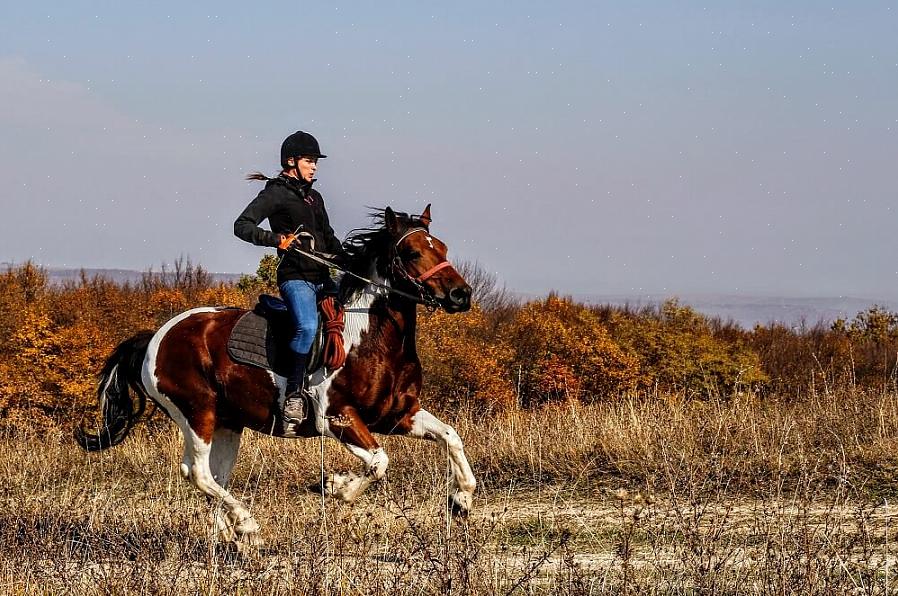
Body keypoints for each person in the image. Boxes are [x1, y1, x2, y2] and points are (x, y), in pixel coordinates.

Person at [234, 131, 346, 429]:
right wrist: (275, 239)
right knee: (308, 326)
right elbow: (241, 226)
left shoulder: (314, 196)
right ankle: (293, 395)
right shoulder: (275, 193)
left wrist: (348, 258)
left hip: (323, 276)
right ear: (291, 161)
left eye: (315, 162)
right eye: (310, 161)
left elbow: (329, 237)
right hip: (295, 278)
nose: (315, 167)